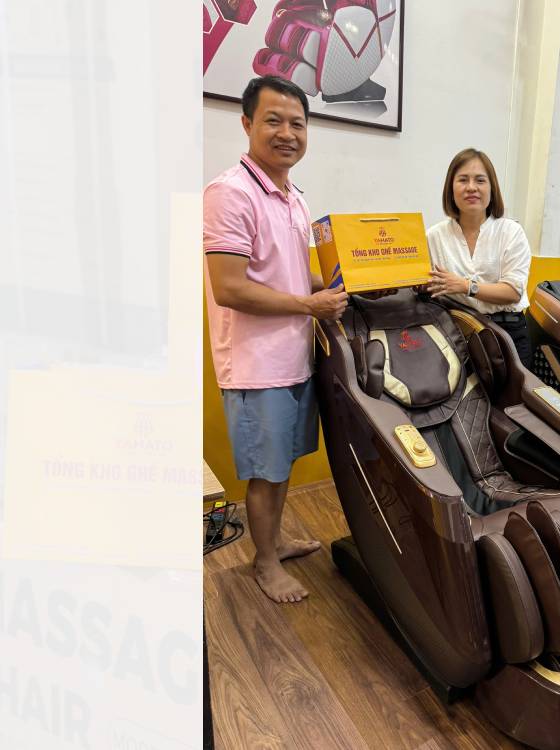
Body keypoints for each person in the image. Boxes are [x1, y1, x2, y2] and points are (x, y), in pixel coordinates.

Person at [204, 76, 348, 604]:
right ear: (247, 124)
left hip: (295, 357)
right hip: (255, 365)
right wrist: (311, 305)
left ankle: (276, 542)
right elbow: (230, 287)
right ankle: (264, 562)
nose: (287, 133)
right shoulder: (230, 193)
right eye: (273, 121)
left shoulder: (294, 197)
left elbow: (292, 273)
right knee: (265, 473)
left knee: (281, 462)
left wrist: (341, 283)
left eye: (297, 123)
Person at [424, 148, 534, 367]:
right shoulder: (434, 236)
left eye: (480, 180)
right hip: (455, 335)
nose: (471, 187)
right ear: (450, 188)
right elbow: (423, 287)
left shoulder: (510, 232)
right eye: (463, 180)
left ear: (492, 188)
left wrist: (465, 286)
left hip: (508, 334)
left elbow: (513, 292)